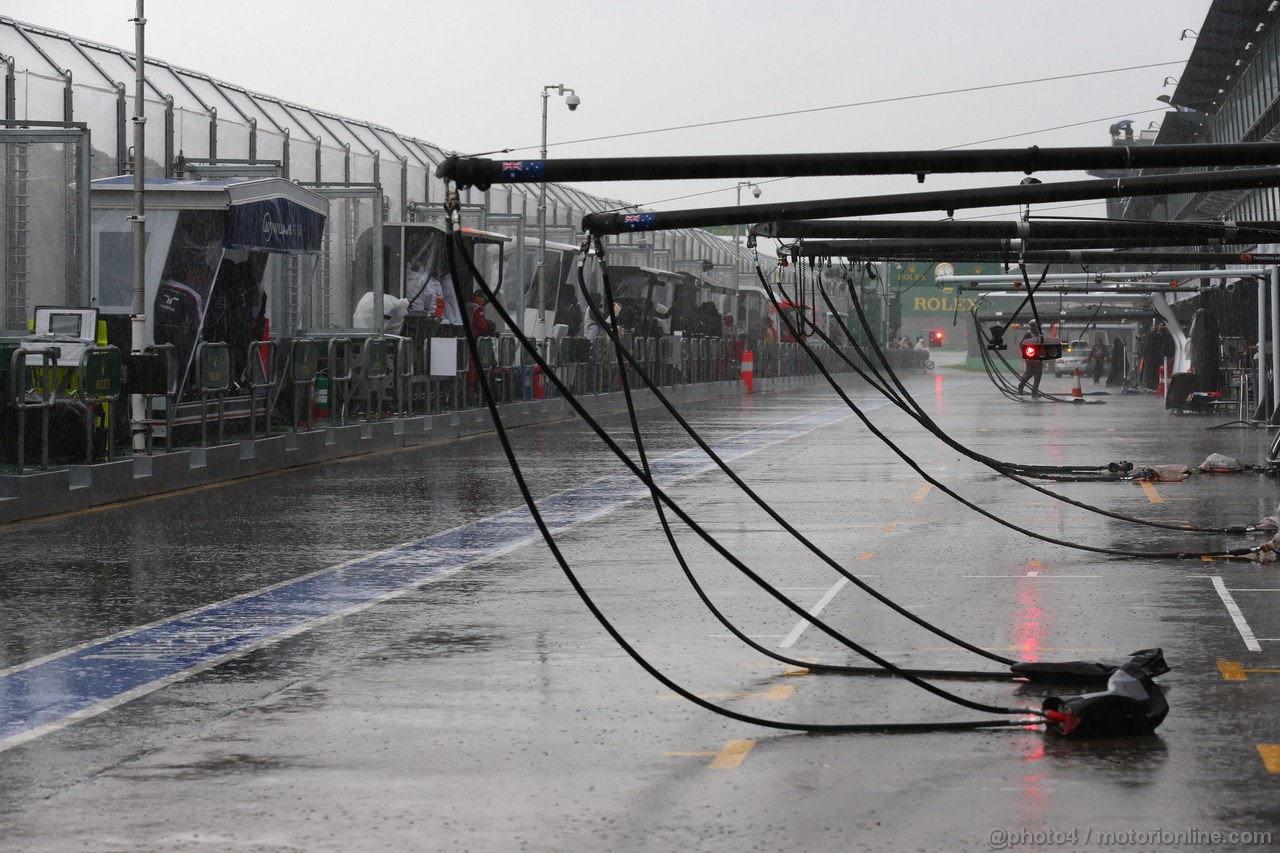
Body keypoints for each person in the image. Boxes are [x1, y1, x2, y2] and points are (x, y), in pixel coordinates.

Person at [1016, 321, 1044, 396]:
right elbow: (1021, 344)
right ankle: (1020, 387)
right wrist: (1027, 355)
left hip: (1039, 357)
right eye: (1036, 326)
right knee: (1029, 373)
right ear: (1032, 327)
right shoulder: (1028, 334)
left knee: (1038, 374)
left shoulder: (1040, 334)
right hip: (1030, 358)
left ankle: (1035, 392)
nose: (1038, 328)